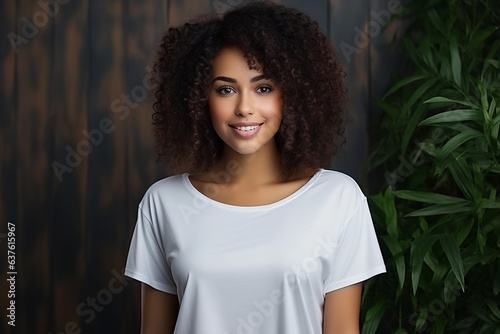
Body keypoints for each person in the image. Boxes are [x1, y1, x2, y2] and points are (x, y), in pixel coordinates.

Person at [125, 1, 386, 333]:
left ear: (292, 94)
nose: (244, 107)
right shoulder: (164, 203)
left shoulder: (338, 200)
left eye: (263, 88)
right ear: (199, 100)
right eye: (226, 90)